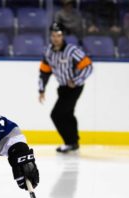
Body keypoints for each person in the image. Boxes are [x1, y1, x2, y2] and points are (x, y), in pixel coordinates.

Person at [39, 22, 93, 153]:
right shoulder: (48, 52)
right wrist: (41, 89)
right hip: (62, 88)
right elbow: (44, 72)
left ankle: (70, 142)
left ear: (62, 36)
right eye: (53, 35)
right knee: (68, 114)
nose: (55, 38)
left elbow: (88, 66)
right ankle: (73, 142)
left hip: (75, 88)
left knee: (56, 114)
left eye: (58, 35)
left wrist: (76, 80)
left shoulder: (72, 51)